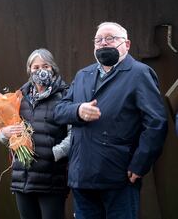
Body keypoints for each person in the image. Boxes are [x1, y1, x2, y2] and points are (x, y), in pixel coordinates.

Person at [54, 22, 168, 219]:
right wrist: (78, 110)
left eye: (110, 38)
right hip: (82, 175)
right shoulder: (83, 75)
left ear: (127, 44)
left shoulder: (139, 73)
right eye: (98, 40)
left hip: (119, 176)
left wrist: (140, 164)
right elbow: (59, 111)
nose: (103, 43)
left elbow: (156, 123)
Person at [0, 49, 70, 219]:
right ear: (29, 70)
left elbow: (74, 134)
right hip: (23, 179)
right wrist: (3, 134)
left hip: (51, 179)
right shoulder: (19, 98)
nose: (40, 70)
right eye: (35, 67)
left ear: (53, 68)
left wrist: (55, 153)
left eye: (45, 66)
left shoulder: (65, 95)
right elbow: (10, 134)